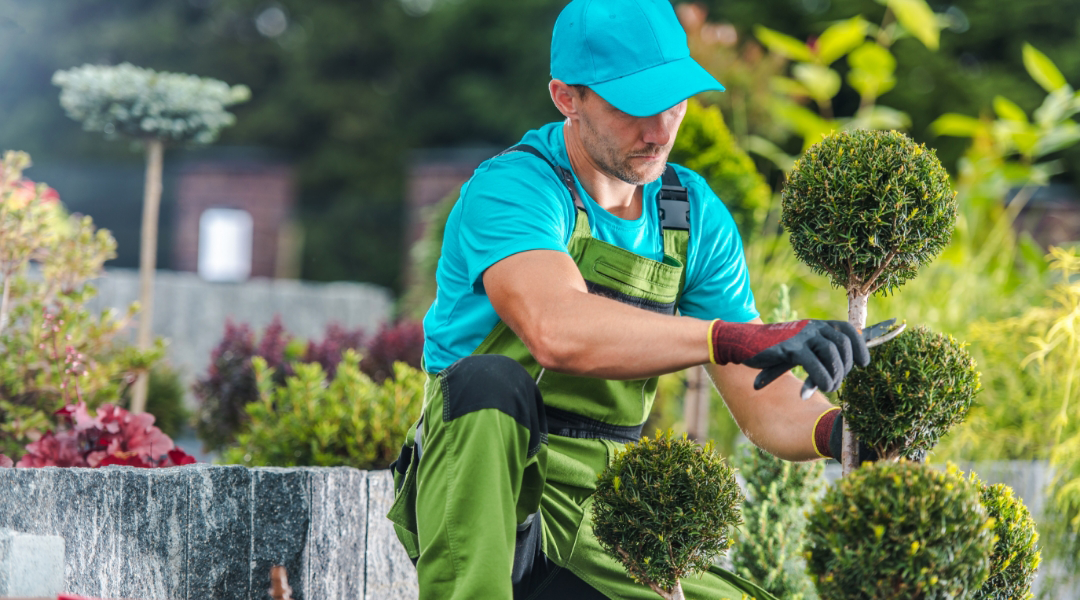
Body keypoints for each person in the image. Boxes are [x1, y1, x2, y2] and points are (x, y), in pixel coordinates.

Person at [387, 0, 870, 597]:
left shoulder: (691, 216)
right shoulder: (515, 188)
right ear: (567, 97)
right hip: (490, 492)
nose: (660, 130)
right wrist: (728, 338)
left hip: (610, 512)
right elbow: (556, 329)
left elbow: (762, 400)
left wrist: (841, 434)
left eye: (675, 101)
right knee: (489, 381)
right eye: (634, 106)